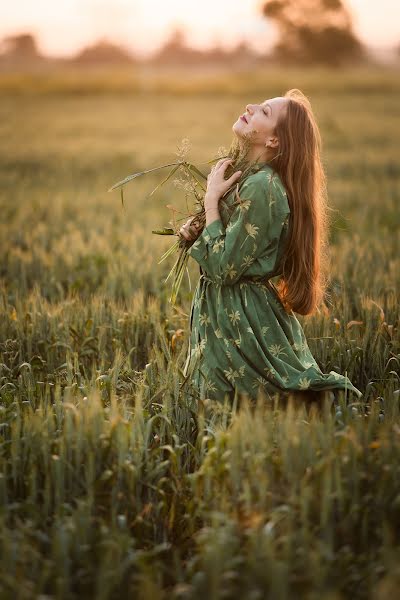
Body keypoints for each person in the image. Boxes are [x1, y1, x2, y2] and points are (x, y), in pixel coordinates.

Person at [179, 88, 363, 406]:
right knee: (219, 411)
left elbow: (224, 266)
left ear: (274, 141)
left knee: (257, 407)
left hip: (241, 320)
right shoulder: (245, 177)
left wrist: (211, 201)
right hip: (226, 316)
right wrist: (193, 233)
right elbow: (228, 242)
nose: (250, 106)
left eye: (264, 111)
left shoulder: (263, 187)